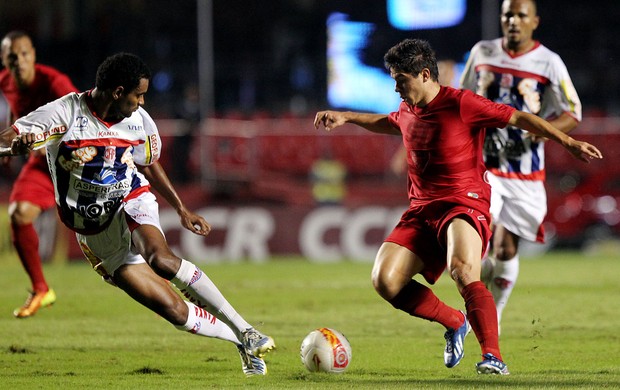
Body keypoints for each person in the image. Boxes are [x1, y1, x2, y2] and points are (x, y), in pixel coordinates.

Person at [313, 39, 601, 375]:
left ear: (424, 74)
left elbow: (520, 116)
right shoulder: (409, 108)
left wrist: (568, 142)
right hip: (421, 210)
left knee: (463, 269)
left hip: (465, 202)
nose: (396, 88)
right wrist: (346, 117)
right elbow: (391, 122)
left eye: (400, 80)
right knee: (385, 281)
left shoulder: (462, 104)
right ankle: (454, 322)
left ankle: (493, 356)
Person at [0, 52, 275, 376]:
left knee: (161, 259)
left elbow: (147, 162)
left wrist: (181, 209)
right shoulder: (65, 112)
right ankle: (239, 343)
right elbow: (8, 137)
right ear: (118, 92)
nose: (142, 101)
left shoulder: (138, 120)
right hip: (94, 234)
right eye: (138, 94)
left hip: (130, 197)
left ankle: (247, 330)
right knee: (174, 311)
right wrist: (15, 145)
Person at [459, 0, 582, 331]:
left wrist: (541, 136)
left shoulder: (549, 62)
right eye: (507, 15)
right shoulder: (482, 52)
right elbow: (461, 100)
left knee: (504, 248)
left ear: (535, 21)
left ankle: (492, 313)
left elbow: (572, 112)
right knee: (479, 240)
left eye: (520, 15)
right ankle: (481, 314)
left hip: (524, 171)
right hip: (482, 166)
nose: (513, 21)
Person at [0, 30, 79, 318]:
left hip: (74, 162)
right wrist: (11, 139)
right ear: (3, 61)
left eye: (24, 54)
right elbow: (16, 111)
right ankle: (41, 288)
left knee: (118, 226)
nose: (18, 61)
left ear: (33, 55)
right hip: (42, 167)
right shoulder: (5, 82)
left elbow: (81, 118)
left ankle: (160, 283)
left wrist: (49, 142)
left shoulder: (54, 82)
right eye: (12, 56)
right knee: (18, 214)